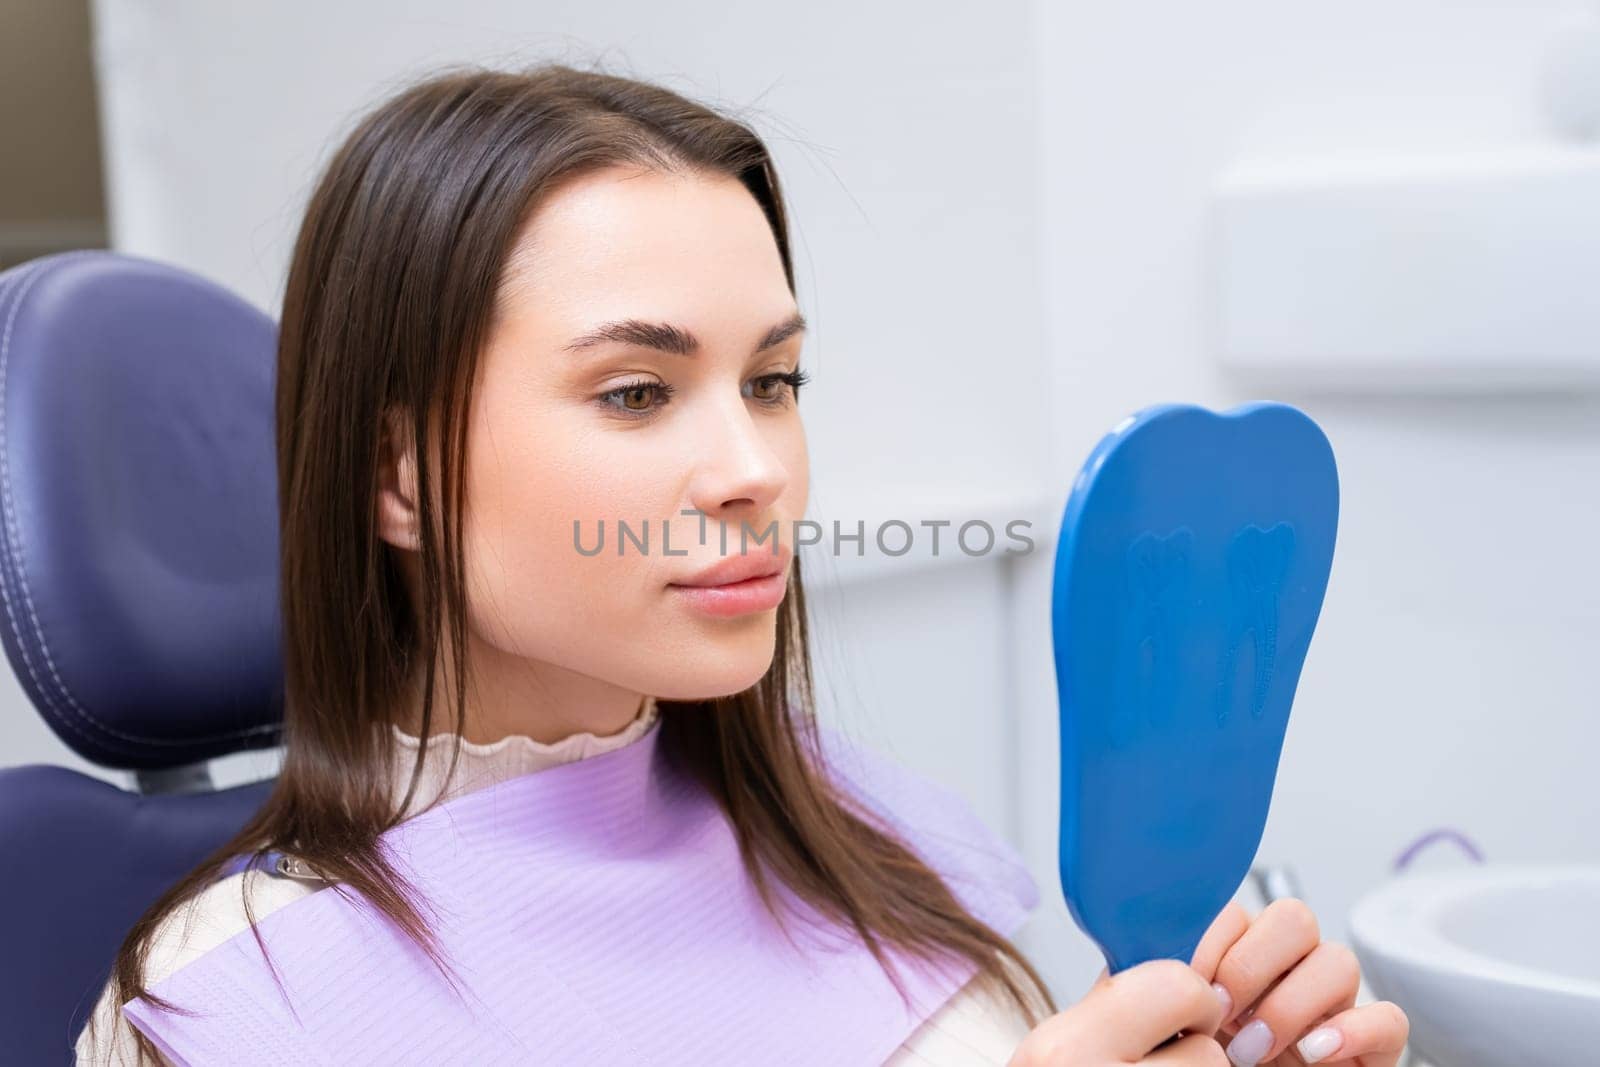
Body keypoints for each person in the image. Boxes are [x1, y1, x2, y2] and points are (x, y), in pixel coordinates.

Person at [76, 61, 1408, 1066]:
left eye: (775, 380)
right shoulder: (227, 1005)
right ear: (397, 477)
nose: (756, 470)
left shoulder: (885, 843)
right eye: (638, 392)